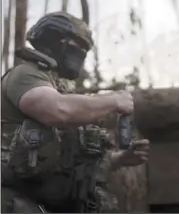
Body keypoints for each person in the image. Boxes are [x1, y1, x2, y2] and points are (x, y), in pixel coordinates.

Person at [1, 12, 150, 213]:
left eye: (85, 48)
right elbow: (57, 110)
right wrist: (113, 100)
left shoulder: (59, 89)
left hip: (40, 197)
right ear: (53, 39)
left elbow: (66, 160)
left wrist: (118, 159)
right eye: (76, 44)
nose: (81, 53)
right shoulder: (26, 73)